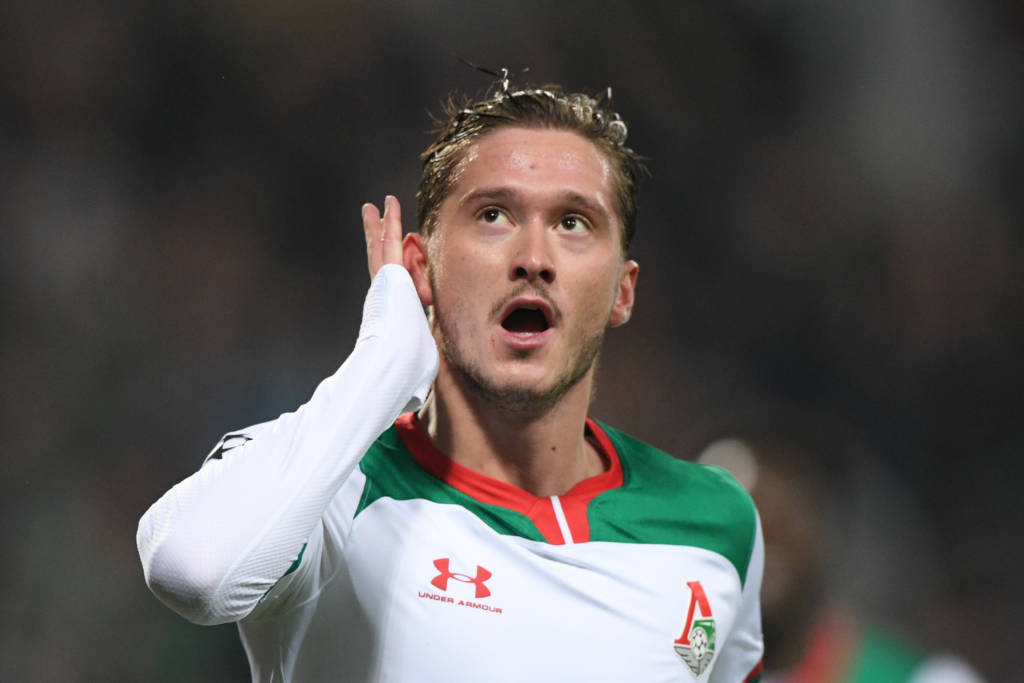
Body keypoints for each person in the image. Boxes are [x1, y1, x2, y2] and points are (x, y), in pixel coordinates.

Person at [137, 78, 765, 682]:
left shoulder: (714, 525)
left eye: (573, 223)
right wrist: (383, 364)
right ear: (419, 268)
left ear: (622, 292)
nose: (534, 259)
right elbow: (194, 573)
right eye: (494, 215)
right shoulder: (331, 487)